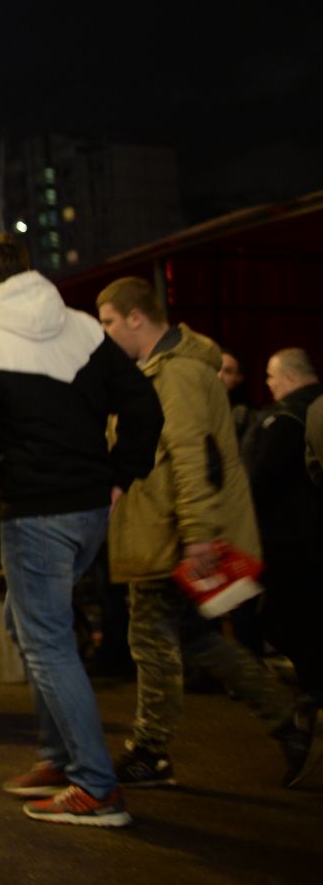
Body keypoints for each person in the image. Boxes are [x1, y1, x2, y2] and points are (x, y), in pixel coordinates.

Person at [0, 232, 161, 829]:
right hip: (89, 510)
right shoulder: (85, 329)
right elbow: (145, 408)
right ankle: (59, 756)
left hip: (36, 511)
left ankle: (94, 785)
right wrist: (120, 477)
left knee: (47, 641)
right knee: (30, 623)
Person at [95, 279, 315, 789]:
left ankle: (151, 749)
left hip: (171, 534)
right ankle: (289, 719)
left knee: (151, 637)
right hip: (165, 529)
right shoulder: (165, 371)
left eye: (108, 321)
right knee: (193, 638)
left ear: (135, 317)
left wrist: (196, 536)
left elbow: (192, 459)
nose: (105, 333)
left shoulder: (175, 375)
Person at [245, 348, 323, 716]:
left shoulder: (285, 417)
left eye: (272, 377)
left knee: (279, 617)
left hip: (288, 536)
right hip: (309, 533)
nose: (269, 384)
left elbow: (261, 479)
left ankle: (314, 689)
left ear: (290, 377)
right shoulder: (316, 408)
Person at [217, 348, 254, 444]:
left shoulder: (245, 415)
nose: (219, 376)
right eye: (215, 368)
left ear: (239, 378)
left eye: (228, 372)